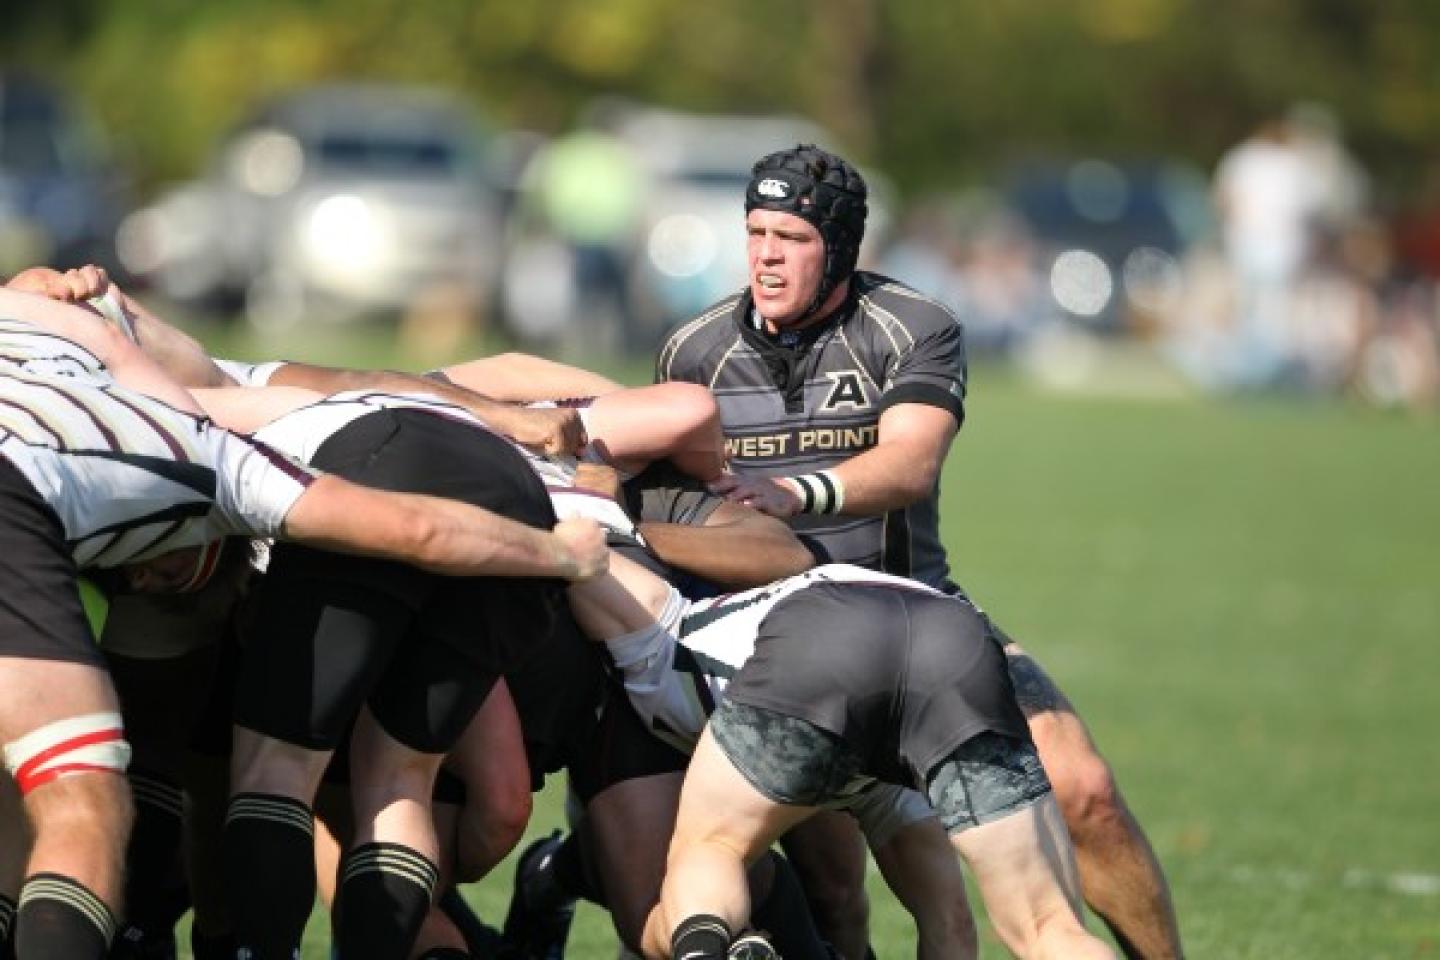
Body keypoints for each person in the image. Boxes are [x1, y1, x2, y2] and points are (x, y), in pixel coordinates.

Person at [656, 144, 1183, 959]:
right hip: (773, 648)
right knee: (832, 886)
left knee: (1086, 791)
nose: (764, 255)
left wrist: (797, 493)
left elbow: (912, 462)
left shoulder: (911, 327)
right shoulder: (694, 353)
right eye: (755, 232)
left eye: (790, 238)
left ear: (838, 248)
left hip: (919, 615)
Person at [0, 287, 606, 960]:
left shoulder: (211, 444)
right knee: (400, 784)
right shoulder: (194, 417)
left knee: (271, 770)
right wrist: (554, 543)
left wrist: (559, 551)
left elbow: (416, 524)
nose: (137, 578)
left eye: (149, 568)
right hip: (516, 500)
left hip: (400, 479)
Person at [559, 534, 1116, 960]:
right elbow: (949, 924)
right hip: (954, 637)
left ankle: (706, 948)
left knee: (712, 851)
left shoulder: (657, 636)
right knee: (1048, 925)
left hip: (818, 645)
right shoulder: (885, 780)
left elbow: (579, 549)